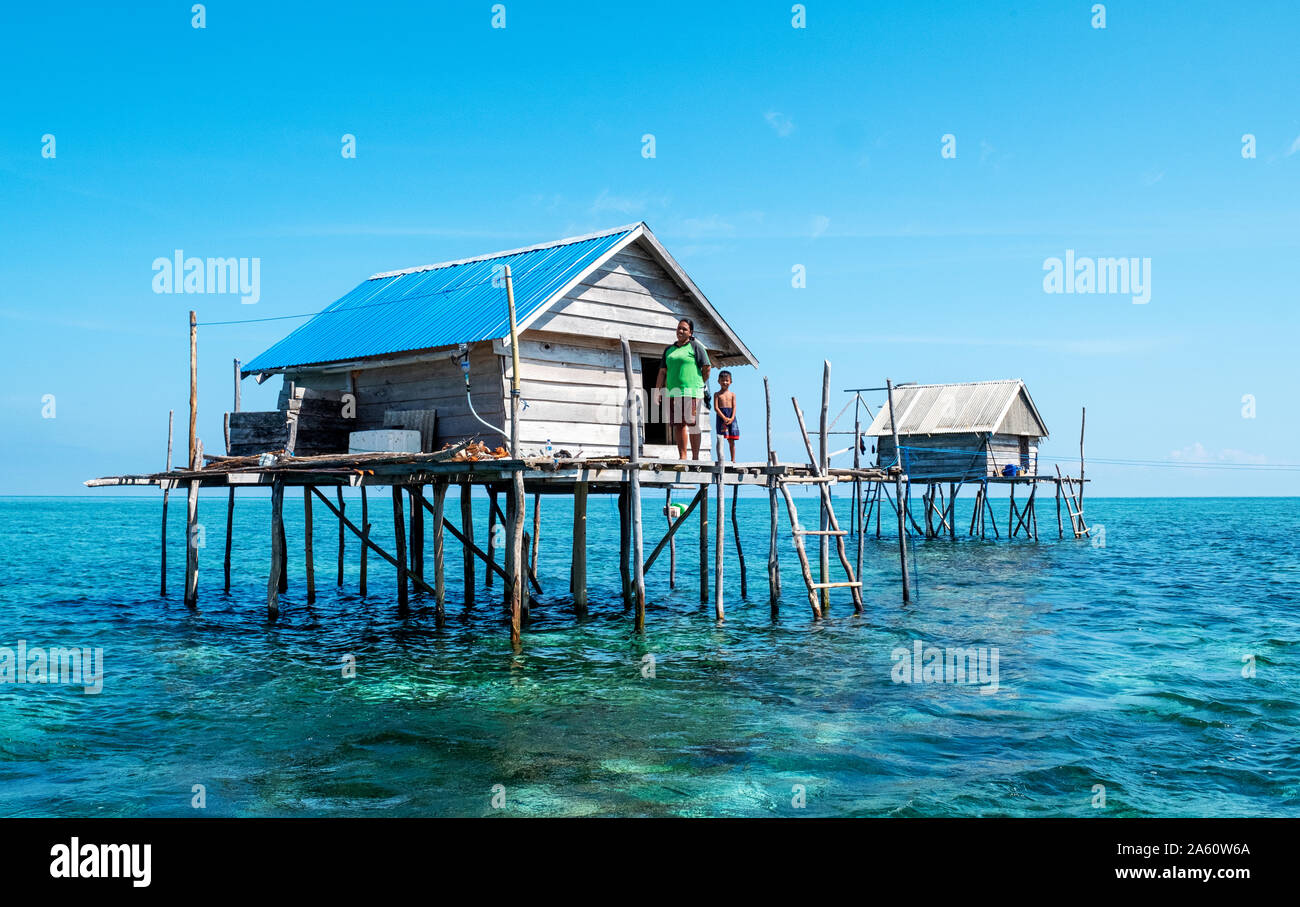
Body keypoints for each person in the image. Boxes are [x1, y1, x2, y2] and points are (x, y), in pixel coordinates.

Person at [655, 318, 710, 459]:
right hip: (674, 392)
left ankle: (696, 457)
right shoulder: (669, 350)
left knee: (692, 423)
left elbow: (706, 367)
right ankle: (683, 457)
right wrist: (658, 390)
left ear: (690, 332)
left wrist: (699, 383)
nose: (680, 331)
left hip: (692, 392)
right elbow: (662, 371)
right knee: (679, 424)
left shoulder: (696, 347)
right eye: (679, 328)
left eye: (684, 329)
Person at [714, 370, 739, 462]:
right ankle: (720, 458)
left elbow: (735, 406)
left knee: (731, 439)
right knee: (720, 438)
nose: (725, 382)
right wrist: (723, 417)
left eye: (727, 380)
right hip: (721, 417)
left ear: (730, 381)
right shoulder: (717, 394)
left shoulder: (732, 394)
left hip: (731, 416)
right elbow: (716, 408)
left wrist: (732, 418)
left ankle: (733, 459)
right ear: (719, 381)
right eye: (723, 380)